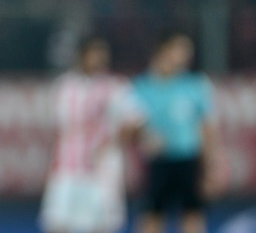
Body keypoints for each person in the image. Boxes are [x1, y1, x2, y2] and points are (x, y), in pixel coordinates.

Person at [39, 36, 142, 233]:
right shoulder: (64, 86)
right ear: (81, 56)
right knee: (57, 224)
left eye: (103, 54)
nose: (99, 59)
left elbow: (135, 122)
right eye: (94, 54)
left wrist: (112, 142)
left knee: (101, 225)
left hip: (101, 169)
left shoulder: (116, 87)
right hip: (67, 168)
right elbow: (59, 128)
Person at [131, 30, 223, 233]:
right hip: (157, 162)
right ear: (164, 51)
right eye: (181, 50)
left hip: (188, 159)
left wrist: (211, 166)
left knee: (192, 214)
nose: (186, 55)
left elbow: (207, 127)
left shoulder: (195, 85)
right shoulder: (141, 86)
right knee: (152, 214)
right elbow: (130, 127)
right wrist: (143, 136)